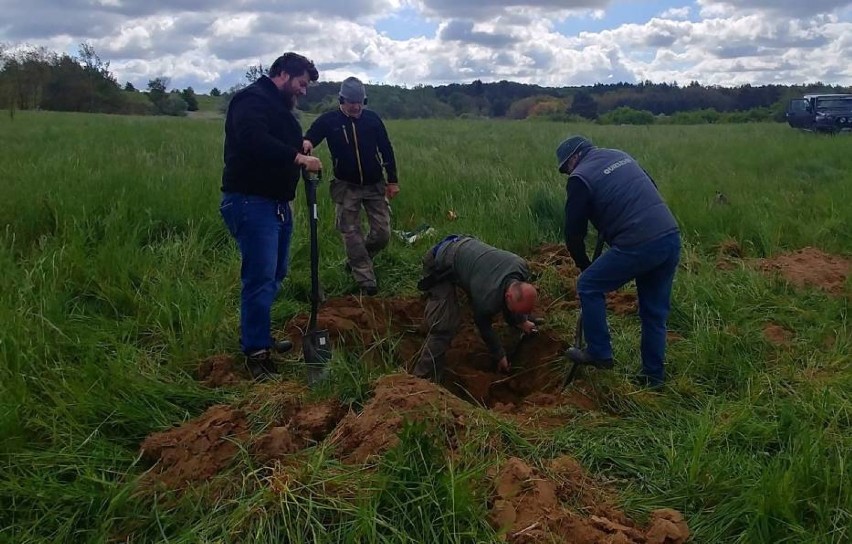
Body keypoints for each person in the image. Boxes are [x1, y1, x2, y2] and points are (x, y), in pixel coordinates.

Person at [219, 52, 322, 381]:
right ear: (283, 74)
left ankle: (259, 337)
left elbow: (277, 140)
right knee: (260, 277)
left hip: (276, 203)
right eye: (301, 84)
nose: (303, 91)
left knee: (276, 273)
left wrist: (300, 147)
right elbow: (254, 140)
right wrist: (296, 158)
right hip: (251, 201)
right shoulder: (250, 101)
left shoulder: (279, 108)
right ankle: (256, 354)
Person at [557, 135, 681, 388]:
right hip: (669, 236)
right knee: (654, 313)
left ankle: (599, 352)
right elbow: (650, 187)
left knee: (589, 285)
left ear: (575, 158)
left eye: (566, 168)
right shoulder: (620, 155)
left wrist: (585, 267)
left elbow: (573, 234)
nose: (568, 172)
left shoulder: (580, 178)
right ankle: (653, 377)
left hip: (639, 243)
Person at [302, 77, 399, 295]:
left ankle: (357, 259)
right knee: (351, 232)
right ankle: (366, 280)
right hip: (346, 187)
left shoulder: (372, 119)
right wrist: (307, 143)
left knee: (382, 233)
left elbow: (386, 149)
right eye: (351, 102)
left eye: (360, 102)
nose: (356, 106)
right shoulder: (329, 120)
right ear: (341, 99)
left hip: (374, 184)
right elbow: (311, 137)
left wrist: (392, 180)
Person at [412, 235, 539, 382]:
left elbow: (509, 302)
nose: (521, 314)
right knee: (444, 326)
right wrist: (500, 355)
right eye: (519, 311)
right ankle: (420, 379)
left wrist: (521, 321)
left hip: (466, 246)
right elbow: (483, 324)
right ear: (509, 296)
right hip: (440, 263)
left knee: (485, 300)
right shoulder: (487, 298)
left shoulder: (521, 266)